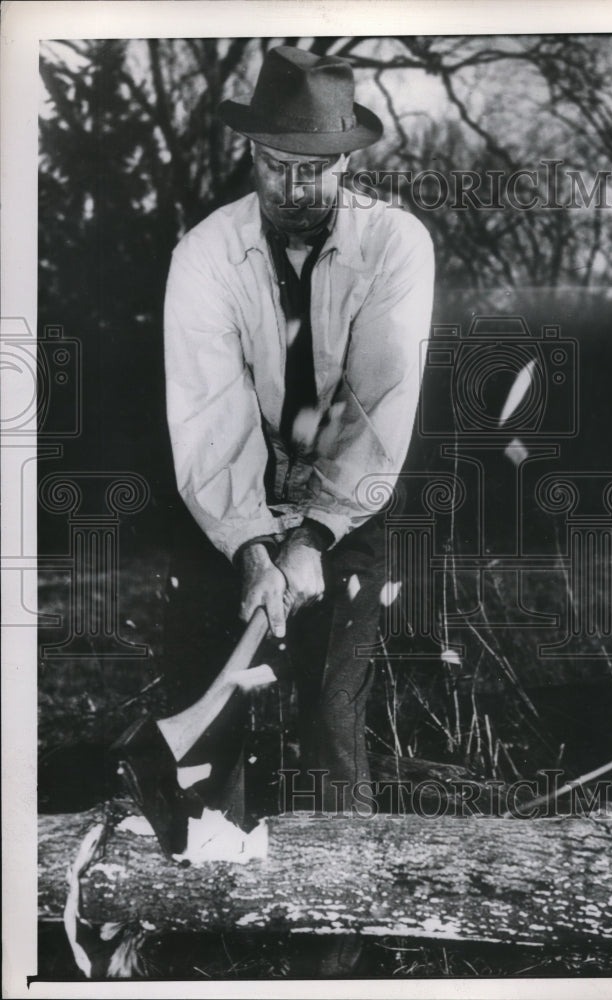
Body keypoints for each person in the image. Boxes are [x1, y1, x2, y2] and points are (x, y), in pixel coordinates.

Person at [160, 44, 435, 819]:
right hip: (225, 500)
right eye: (275, 163)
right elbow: (210, 412)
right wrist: (251, 548)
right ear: (251, 153)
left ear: (346, 161)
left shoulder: (396, 245)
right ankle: (213, 913)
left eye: (313, 167)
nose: (293, 185)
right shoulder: (205, 254)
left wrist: (311, 538)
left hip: (351, 494)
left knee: (331, 715)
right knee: (213, 718)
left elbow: (378, 401)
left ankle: (336, 929)